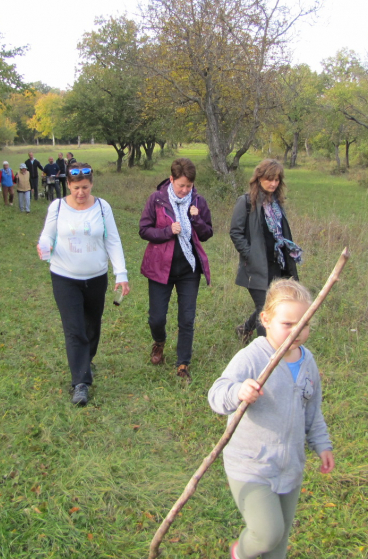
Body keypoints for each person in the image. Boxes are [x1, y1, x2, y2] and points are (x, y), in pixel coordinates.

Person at [208, 279, 334, 559]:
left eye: (304, 323)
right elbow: (216, 394)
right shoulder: (252, 357)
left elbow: (312, 411)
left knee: (278, 545)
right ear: (265, 320)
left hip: (289, 466)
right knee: (267, 533)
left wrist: (322, 445)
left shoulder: (307, 361)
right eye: (288, 324)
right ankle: (241, 553)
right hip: (251, 465)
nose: (297, 331)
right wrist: (237, 391)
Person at [37, 163, 129, 406]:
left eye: (85, 187)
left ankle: (85, 361)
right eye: (76, 187)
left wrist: (121, 273)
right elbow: (47, 234)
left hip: (96, 277)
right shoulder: (57, 207)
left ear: (92, 184)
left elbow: (113, 240)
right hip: (65, 277)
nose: (81, 193)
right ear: (68, 184)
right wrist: (43, 244)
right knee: (75, 329)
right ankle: (80, 383)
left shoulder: (102, 207)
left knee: (92, 326)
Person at [138, 158, 213, 382]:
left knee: (187, 319)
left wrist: (196, 220)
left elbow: (208, 233)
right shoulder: (157, 200)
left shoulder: (198, 201)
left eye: (189, 186)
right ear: (171, 180)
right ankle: (159, 342)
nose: (184, 190)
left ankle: (183, 363)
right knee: (157, 318)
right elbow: (144, 230)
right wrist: (167, 231)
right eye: (181, 185)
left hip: (189, 270)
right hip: (160, 269)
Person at [229, 159, 302, 342]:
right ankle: (267, 352)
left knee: (272, 305)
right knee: (266, 311)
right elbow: (235, 232)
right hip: (256, 267)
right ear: (259, 178)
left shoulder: (276, 203)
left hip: (277, 265)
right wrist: (250, 255)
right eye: (269, 179)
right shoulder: (246, 202)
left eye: (277, 180)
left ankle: (245, 328)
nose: (273, 183)